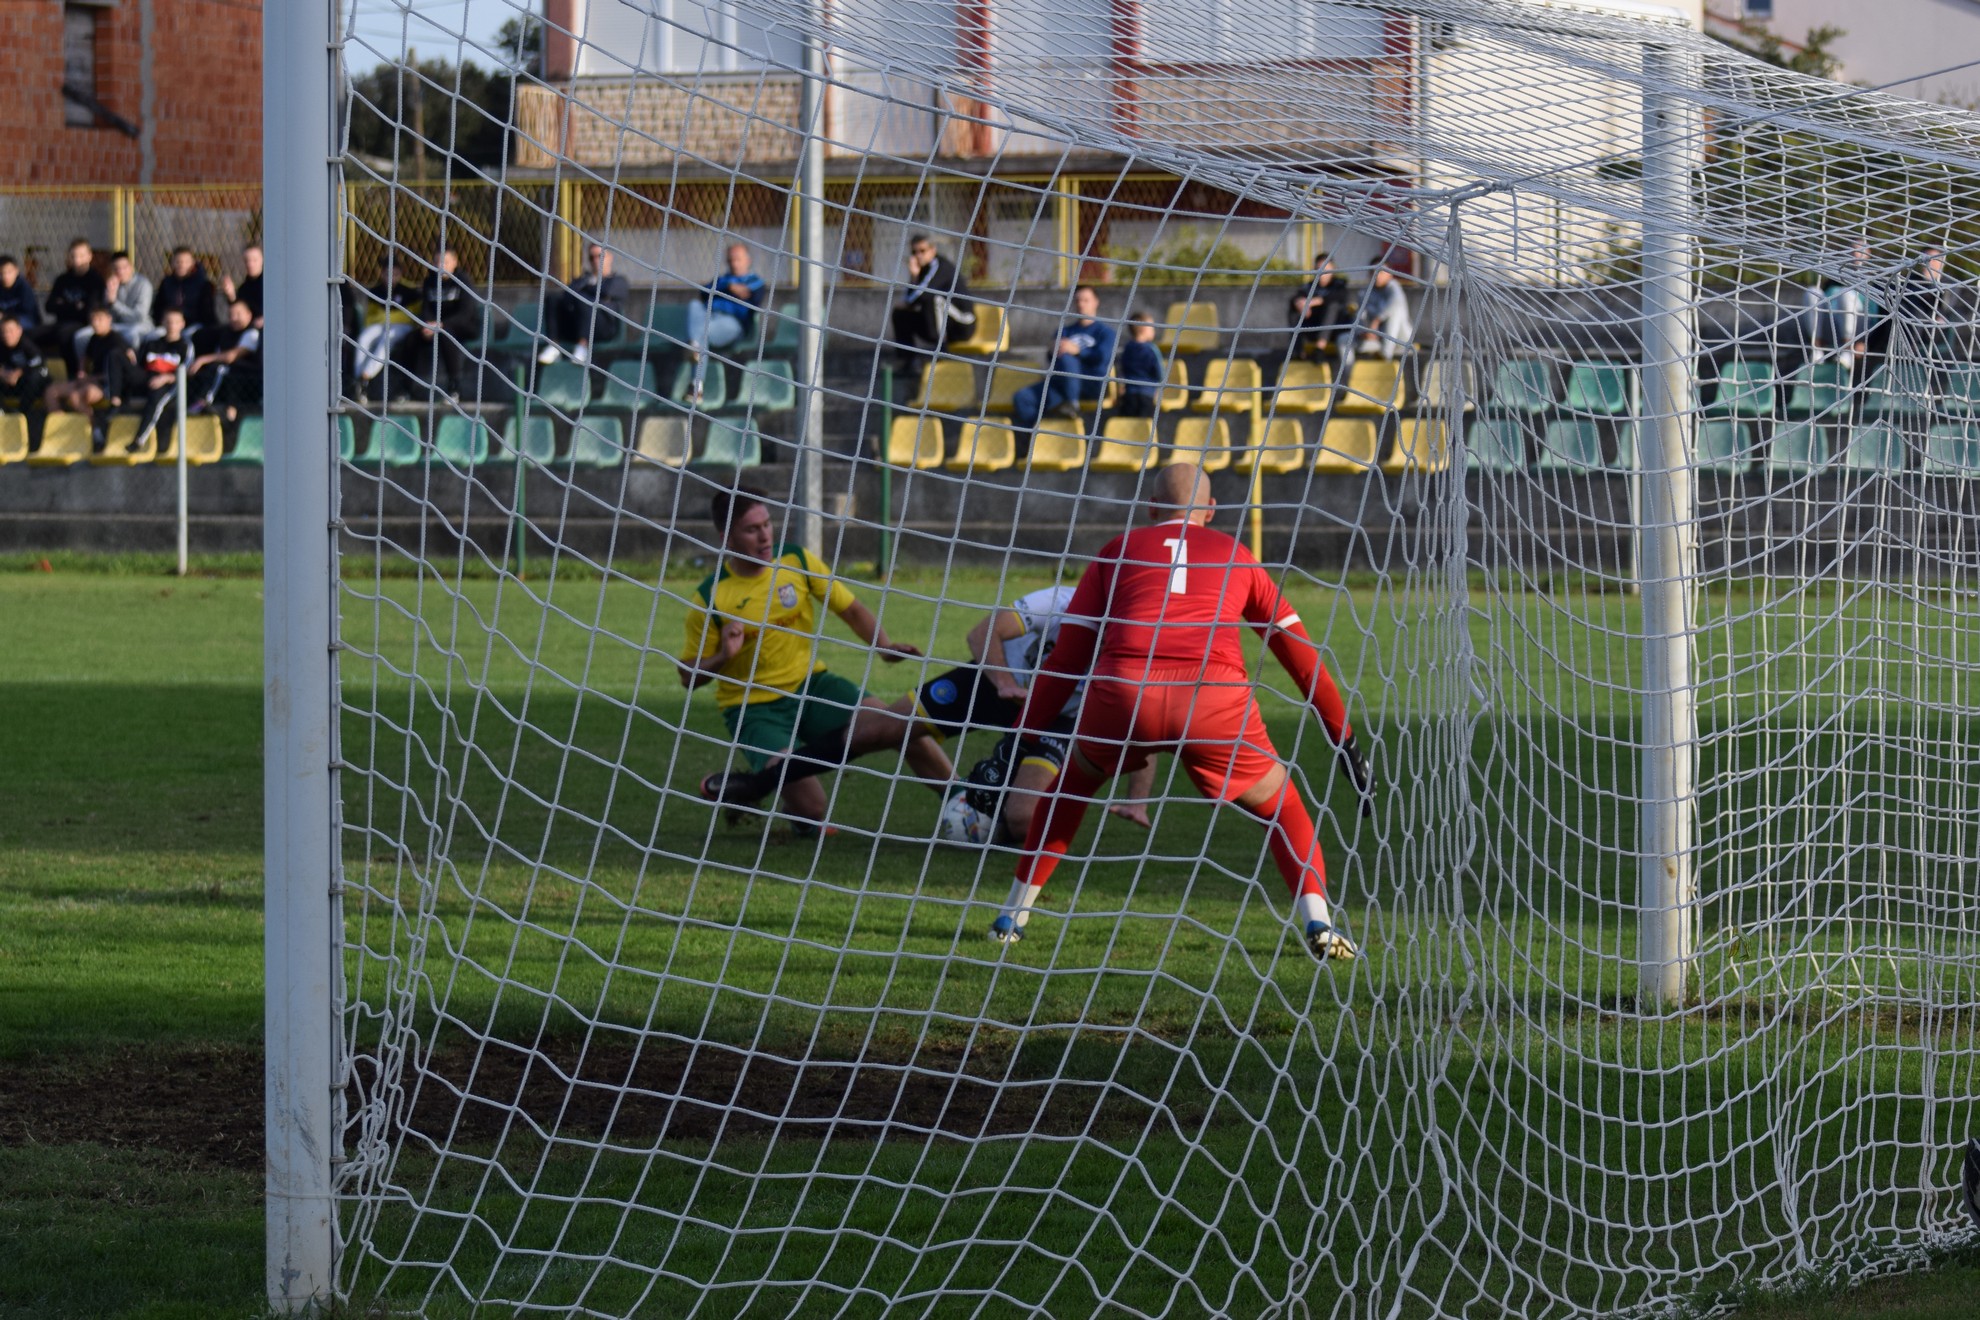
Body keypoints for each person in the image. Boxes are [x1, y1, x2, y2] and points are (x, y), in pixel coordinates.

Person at [989, 462, 1374, 961]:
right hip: (1213, 701)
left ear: (1151, 508)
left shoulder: (1116, 550)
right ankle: (1318, 922)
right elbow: (1302, 659)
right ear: (1211, 510)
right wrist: (1343, 738)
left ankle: (1011, 918)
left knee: (1070, 789)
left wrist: (1026, 732)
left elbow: (1066, 660)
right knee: (1283, 807)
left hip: (1126, 696)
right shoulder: (1238, 556)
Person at [704, 584, 1161, 843]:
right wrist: (1004, 682)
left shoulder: (1140, 648)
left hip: (1056, 719)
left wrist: (1137, 800)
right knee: (878, 730)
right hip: (993, 682)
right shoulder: (1064, 601)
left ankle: (984, 822)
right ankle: (759, 785)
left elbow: (1146, 724)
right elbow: (983, 632)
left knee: (1024, 819)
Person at [679, 486, 948, 835]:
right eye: (752, 529)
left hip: (812, 686)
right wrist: (722, 657)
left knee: (898, 725)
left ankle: (964, 798)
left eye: (767, 524)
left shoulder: (797, 561)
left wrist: (884, 646)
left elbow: (851, 609)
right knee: (812, 808)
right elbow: (688, 676)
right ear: (726, 539)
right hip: (754, 709)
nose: (765, 536)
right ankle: (767, 791)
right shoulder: (710, 598)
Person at [1012, 285, 1116, 431]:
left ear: (1095, 302)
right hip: (1062, 385)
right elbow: (1052, 360)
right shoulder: (1065, 331)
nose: (1081, 304)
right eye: (1078, 300)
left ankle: (1072, 403)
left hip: (1090, 383)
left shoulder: (1106, 333)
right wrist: (1052, 350)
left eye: (1086, 300)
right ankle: (1036, 435)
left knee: (1067, 356)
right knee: (1022, 398)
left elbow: (1102, 359)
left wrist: (1078, 351)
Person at [685, 242, 766, 404]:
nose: (734, 264)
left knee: (701, 335)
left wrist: (725, 289)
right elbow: (704, 292)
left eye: (738, 259)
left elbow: (753, 295)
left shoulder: (755, 281)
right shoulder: (723, 280)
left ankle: (694, 350)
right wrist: (729, 286)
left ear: (747, 260)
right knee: (694, 306)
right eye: (731, 260)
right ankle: (696, 380)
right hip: (709, 318)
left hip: (732, 324)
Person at [888, 234, 974, 374]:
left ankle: (942, 350)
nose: (918, 256)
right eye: (914, 252)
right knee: (900, 314)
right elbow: (909, 298)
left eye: (922, 251)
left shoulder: (940, 266)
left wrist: (909, 301)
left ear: (933, 250)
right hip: (937, 323)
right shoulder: (921, 270)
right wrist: (914, 276)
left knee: (935, 299)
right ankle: (908, 362)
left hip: (961, 325)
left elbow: (922, 295)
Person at [539, 243, 628, 365]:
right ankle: (554, 346)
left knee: (584, 299)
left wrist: (585, 290)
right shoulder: (583, 280)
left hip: (603, 328)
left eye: (600, 256)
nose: (596, 261)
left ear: (610, 257)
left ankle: (583, 346)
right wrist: (592, 291)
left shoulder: (618, 281)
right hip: (578, 326)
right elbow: (567, 294)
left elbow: (607, 291)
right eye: (592, 257)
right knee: (553, 299)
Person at [410, 247, 480, 398]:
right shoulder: (429, 282)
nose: (441, 266)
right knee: (411, 338)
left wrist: (441, 325)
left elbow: (466, 313)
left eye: (445, 262)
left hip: (462, 327)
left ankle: (454, 386)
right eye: (437, 262)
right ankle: (406, 387)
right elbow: (425, 309)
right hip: (435, 327)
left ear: (454, 262)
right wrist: (427, 325)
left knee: (446, 335)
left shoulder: (463, 281)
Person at [44, 305, 135, 415]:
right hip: (89, 380)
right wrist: (82, 371)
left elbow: (119, 374)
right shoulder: (94, 338)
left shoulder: (117, 342)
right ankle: (59, 422)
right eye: (93, 319)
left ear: (109, 319)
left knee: (76, 397)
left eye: (99, 319)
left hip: (104, 385)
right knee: (51, 391)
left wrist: (91, 378)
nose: (95, 323)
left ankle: (93, 425)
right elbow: (85, 357)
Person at [352, 258, 423, 394]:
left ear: (400, 273)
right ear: (382, 274)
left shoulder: (409, 291)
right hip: (380, 325)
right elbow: (370, 317)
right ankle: (357, 378)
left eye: (395, 274)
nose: (391, 277)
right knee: (364, 338)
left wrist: (387, 316)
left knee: (386, 338)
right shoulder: (376, 291)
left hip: (401, 327)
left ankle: (365, 376)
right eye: (387, 274)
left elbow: (410, 316)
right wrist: (387, 317)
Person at [186, 298, 262, 420]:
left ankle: (204, 400)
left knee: (220, 368)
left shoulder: (252, 333)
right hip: (228, 382)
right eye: (231, 315)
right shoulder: (226, 332)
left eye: (238, 314)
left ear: (249, 314)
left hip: (246, 381)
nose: (234, 318)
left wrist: (203, 359)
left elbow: (230, 357)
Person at [39, 239, 106, 373]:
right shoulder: (62, 279)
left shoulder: (96, 281)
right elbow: (49, 307)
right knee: (27, 334)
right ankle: (38, 373)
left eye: (81, 256)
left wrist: (63, 305)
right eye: (74, 256)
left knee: (64, 335)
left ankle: (73, 375)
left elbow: (89, 311)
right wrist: (75, 306)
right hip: (60, 323)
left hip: (81, 324)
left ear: (89, 256)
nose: (77, 260)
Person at [1288, 255, 1355, 366]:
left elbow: (1339, 296)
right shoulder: (1309, 286)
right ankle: (1298, 351)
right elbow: (1296, 298)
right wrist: (1300, 304)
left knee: (1332, 306)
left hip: (1335, 329)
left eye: (1326, 269)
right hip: (1314, 326)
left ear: (1333, 269)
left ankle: (1320, 348)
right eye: (1319, 269)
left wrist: (1313, 302)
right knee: (1294, 310)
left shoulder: (1339, 284)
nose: (1322, 273)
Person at [136, 308, 194, 430]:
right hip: (146, 381)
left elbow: (187, 371)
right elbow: (138, 367)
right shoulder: (151, 344)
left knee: (156, 399)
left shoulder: (185, 346)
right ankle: (115, 402)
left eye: (176, 322)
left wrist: (166, 378)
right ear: (162, 322)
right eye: (168, 321)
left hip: (169, 386)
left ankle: (139, 438)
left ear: (182, 324)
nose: (171, 325)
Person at [1349, 265, 1413, 361]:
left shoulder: (1394, 287)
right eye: (1374, 272)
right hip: (1376, 337)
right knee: (1343, 339)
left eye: (1382, 272)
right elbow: (1360, 315)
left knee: (1396, 311)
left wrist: (1376, 320)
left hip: (1401, 339)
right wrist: (1363, 333)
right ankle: (1346, 369)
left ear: (1390, 274)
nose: (1378, 276)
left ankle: (1385, 354)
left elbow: (1394, 303)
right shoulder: (1364, 292)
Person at [1109, 310, 1163, 420]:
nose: (1153, 331)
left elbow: (1122, 369)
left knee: (1128, 424)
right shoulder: (1151, 349)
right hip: (1146, 394)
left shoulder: (1127, 349)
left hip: (1129, 394)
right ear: (1144, 329)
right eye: (1152, 327)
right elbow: (1160, 373)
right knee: (1144, 424)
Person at [150, 247, 215, 330]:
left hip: (194, 325)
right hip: (169, 325)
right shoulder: (167, 283)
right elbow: (158, 307)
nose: (182, 265)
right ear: (172, 263)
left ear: (192, 263)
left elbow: (207, 312)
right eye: (178, 262)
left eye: (186, 262)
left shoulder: (203, 284)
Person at [103, 251, 154, 349]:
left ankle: (132, 359)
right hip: (117, 325)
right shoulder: (111, 284)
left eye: (124, 267)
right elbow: (107, 316)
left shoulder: (143, 284)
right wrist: (108, 298)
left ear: (131, 267)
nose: (121, 272)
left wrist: (114, 303)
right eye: (116, 268)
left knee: (130, 335)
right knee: (83, 336)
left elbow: (138, 317)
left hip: (140, 325)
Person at [0, 316, 50, 413]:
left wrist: (18, 373)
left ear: (19, 330)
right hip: (13, 384)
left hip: (34, 383)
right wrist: (3, 374)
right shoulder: (2, 346)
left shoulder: (27, 343)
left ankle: (21, 412)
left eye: (10, 331)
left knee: (36, 377)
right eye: (3, 332)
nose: (7, 335)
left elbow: (39, 361)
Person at [218, 245, 265, 328]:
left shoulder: (270, 285)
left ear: (262, 260)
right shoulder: (244, 288)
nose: (250, 264)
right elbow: (239, 311)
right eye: (247, 261)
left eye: (254, 260)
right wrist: (231, 295)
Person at [0, 256, 42, 331]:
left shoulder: (24, 288)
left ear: (16, 271)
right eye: (1, 273)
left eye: (9, 272)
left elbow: (29, 316)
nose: (5, 276)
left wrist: (6, 318)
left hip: (26, 325)